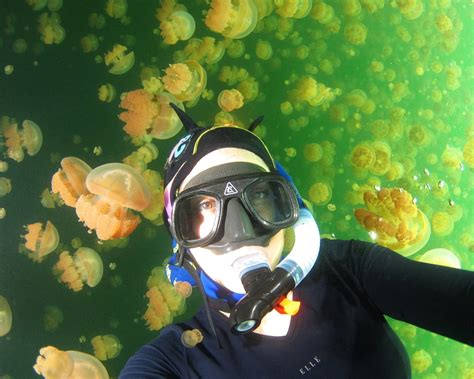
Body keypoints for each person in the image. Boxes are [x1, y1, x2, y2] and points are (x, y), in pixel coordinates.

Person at [120, 105, 474, 379]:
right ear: (179, 239)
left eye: (259, 197)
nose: (240, 231)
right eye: (203, 208)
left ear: (291, 208)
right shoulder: (173, 362)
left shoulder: (348, 269)